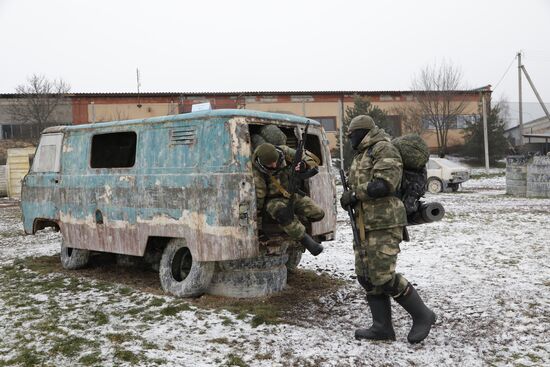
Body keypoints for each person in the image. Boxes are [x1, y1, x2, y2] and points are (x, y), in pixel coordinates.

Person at [340, 115, 436, 344]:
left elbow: (385, 184)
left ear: (361, 132)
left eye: (350, 134)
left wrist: (353, 194)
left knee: (382, 276)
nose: (349, 139)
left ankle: (423, 315)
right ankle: (382, 327)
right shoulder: (362, 153)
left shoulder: (383, 149)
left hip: (385, 222)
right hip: (365, 222)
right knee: (366, 277)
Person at [253, 142, 324, 256]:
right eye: (270, 164)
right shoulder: (257, 170)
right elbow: (260, 194)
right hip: (273, 201)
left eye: (275, 161)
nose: (274, 165)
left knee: (318, 213)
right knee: (284, 216)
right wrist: (259, 222)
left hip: (292, 194)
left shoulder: (284, 152)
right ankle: (304, 239)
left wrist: (304, 165)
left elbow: (308, 159)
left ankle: (293, 225)